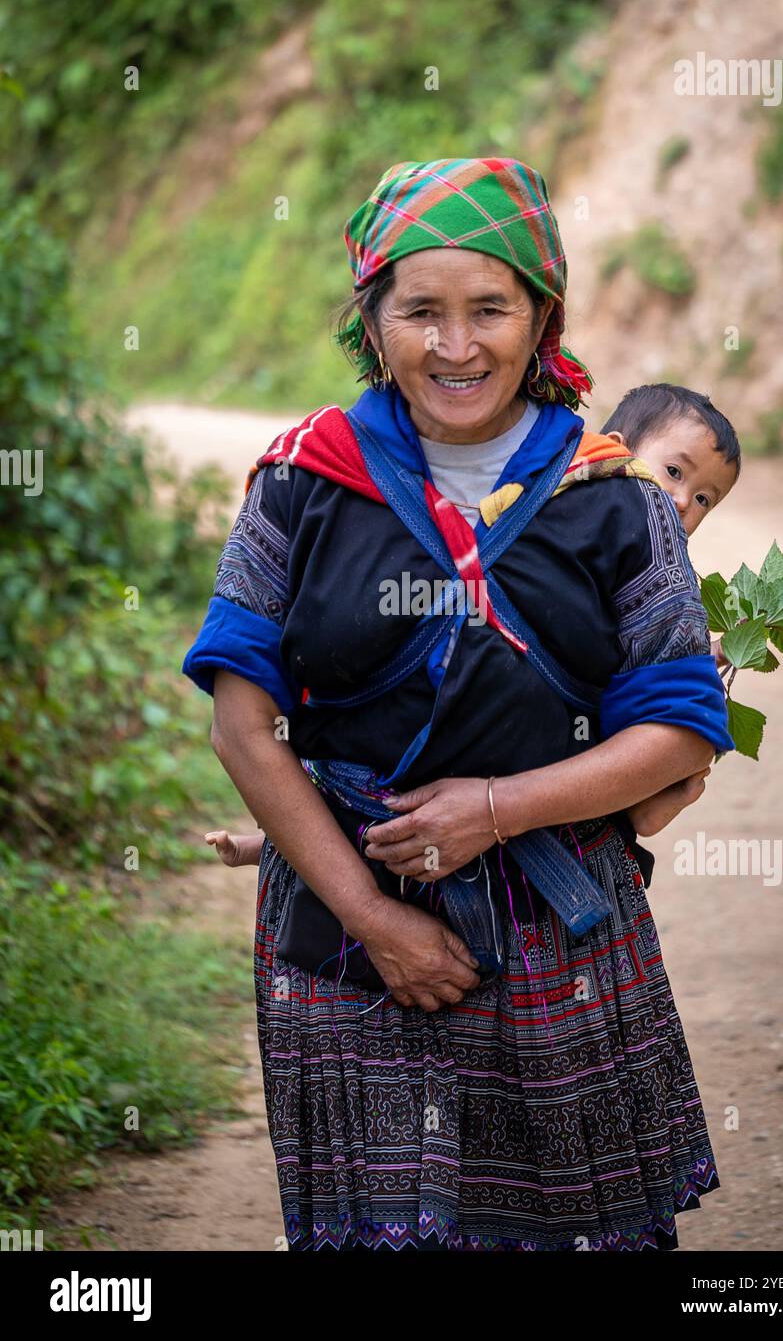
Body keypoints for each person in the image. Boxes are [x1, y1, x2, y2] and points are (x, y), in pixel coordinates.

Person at [182, 157, 734, 1251]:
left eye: (489, 308)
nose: (455, 345)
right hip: (342, 935)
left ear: (542, 316)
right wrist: (376, 919)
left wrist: (493, 808)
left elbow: (675, 727)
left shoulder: (617, 497)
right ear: (370, 321)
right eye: (418, 311)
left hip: (555, 931)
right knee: (379, 1232)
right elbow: (244, 723)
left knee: (569, 1229)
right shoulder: (301, 481)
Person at [208, 381, 741, 853]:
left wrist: (497, 807)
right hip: (363, 835)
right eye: (672, 472)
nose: (681, 501)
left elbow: (672, 709)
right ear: (618, 452)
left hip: (558, 849)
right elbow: (242, 724)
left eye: (703, 499)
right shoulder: (310, 472)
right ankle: (273, 845)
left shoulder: (649, 541)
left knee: (675, 774)